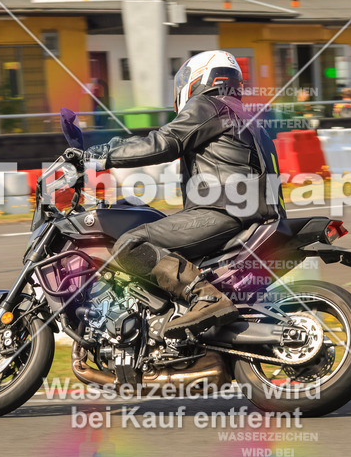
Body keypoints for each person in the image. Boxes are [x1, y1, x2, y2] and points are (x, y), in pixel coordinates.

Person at [83, 51, 283, 338]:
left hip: (223, 212)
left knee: (130, 243)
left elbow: (165, 142)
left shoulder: (208, 105)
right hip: (257, 216)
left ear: (199, 78)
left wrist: (103, 154)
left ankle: (204, 297)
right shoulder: (247, 115)